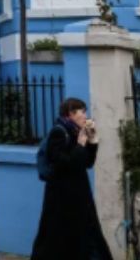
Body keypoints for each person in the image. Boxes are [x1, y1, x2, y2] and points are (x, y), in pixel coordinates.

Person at [30, 97, 115, 260]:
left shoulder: (77, 131)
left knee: (88, 232)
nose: (85, 115)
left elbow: (87, 163)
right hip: (62, 196)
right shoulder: (59, 132)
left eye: (85, 111)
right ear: (70, 114)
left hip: (79, 193)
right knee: (57, 237)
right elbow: (64, 164)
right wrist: (80, 144)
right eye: (81, 112)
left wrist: (92, 141)